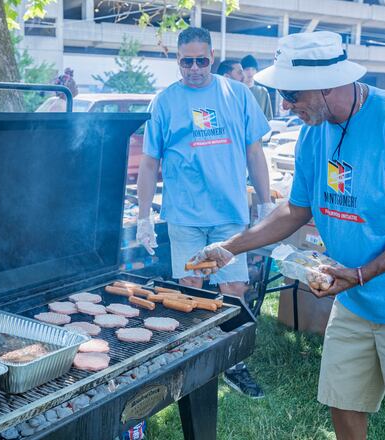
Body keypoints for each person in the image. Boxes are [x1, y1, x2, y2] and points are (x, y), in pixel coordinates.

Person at [189, 31, 385, 440]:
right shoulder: (312, 131)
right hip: (354, 297)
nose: (285, 104)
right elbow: (296, 209)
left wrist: (362, 273)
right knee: (344, 399)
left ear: (329, 84)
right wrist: (231, 247)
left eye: (291, 94)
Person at [136, 26, 272, 398]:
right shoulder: (164, 101)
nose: (194, 68)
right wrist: (144, 216)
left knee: (234, 287)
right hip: (184, 214)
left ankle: (233, 362)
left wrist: (265, 203)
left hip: (229, 214)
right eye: (186, 62)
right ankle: (193, 359)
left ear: (212, 56)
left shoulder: (238, 94)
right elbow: (149, 163)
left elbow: (254, 152)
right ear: (177, 61)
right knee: (190, 287)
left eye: (200, 60)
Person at [241, 55, 273, 120]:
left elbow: (268, 117)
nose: (250, 72)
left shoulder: (263, 91)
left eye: (253, 69)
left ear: (256, 71)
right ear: (242, 71)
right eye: (247, 69)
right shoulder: (237, 91)